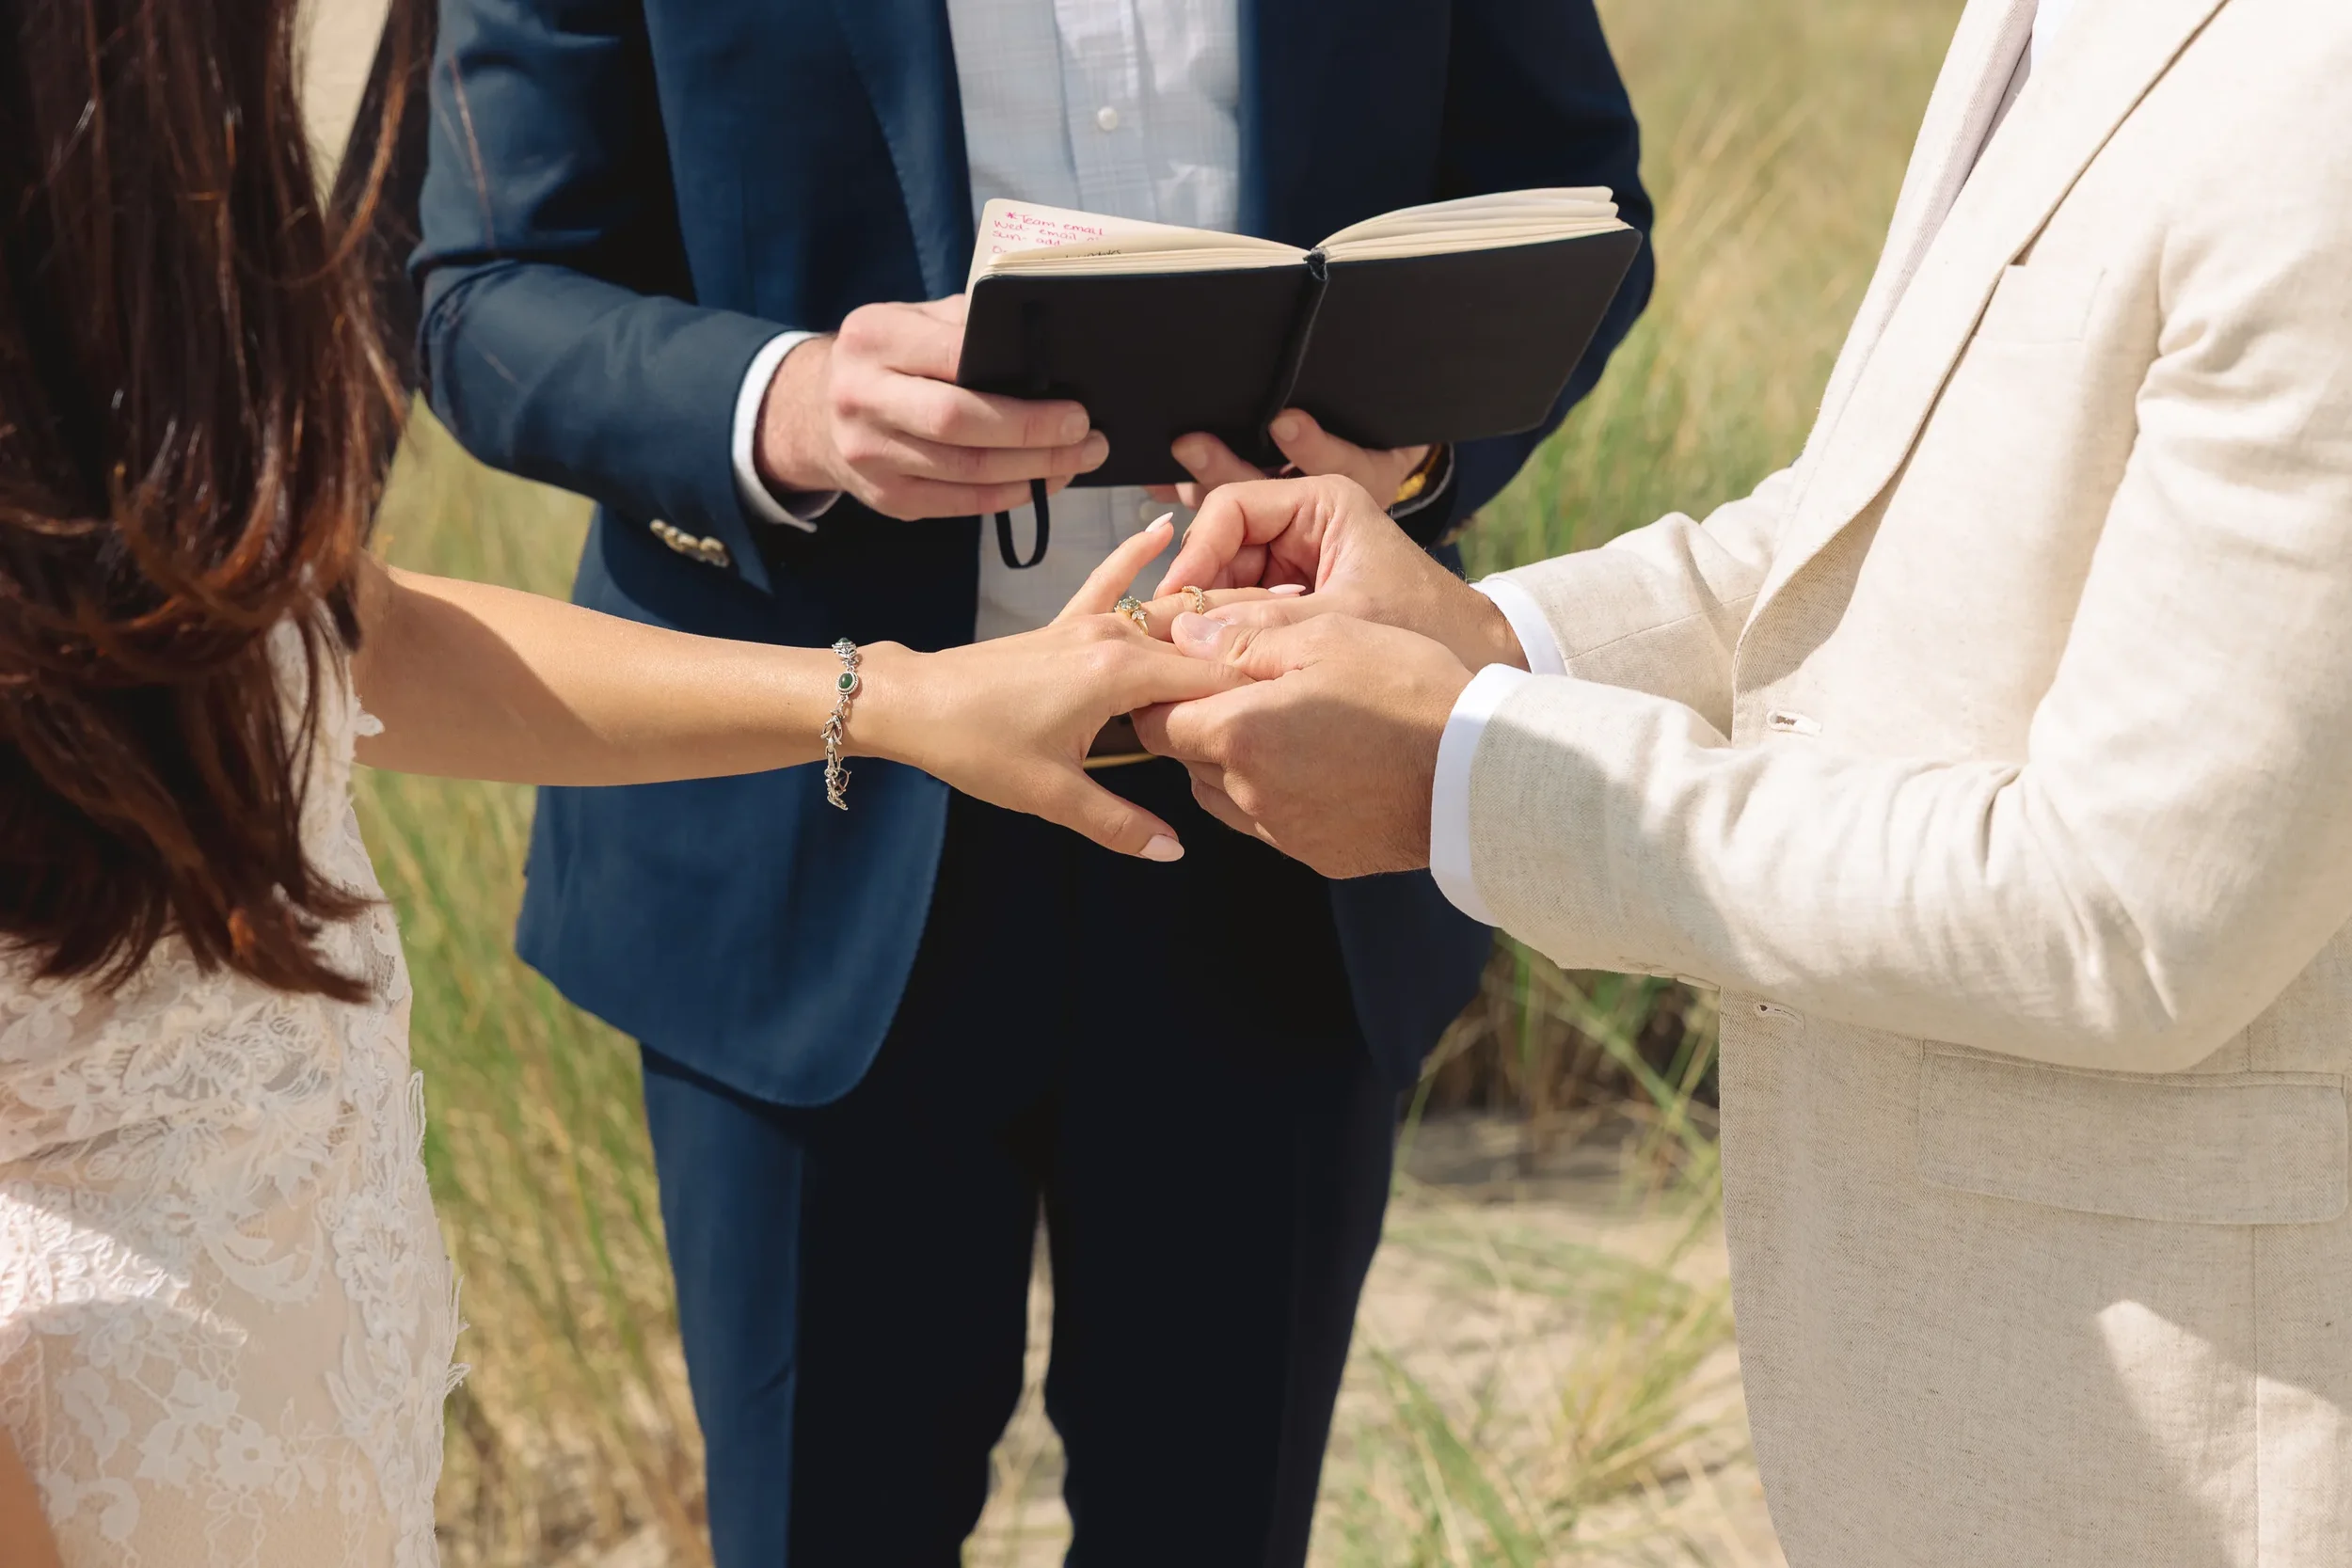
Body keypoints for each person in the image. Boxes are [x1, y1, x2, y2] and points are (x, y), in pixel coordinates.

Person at [0, 4, 1262, 1562]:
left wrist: (898, 702)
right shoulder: (106, 90)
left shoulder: (163, 141)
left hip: (312, 1432)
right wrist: (791, 411)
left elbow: (316, 636)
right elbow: (485, 289)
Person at [409, 2, 1651, 1560]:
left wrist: (1405, 463)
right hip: (813, 834)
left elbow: (1577, 194)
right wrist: (786, 407)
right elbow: (476, 288)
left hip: (1281, 821)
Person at [1138, 0, 2352, 1562]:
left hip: (2197, 1448)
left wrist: (1472, 774)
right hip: (1950, 1400)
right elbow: (1872, 525)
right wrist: (1487, 628)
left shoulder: (2315, 102)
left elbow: (2132, 912)